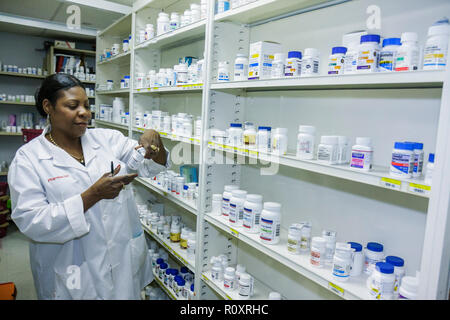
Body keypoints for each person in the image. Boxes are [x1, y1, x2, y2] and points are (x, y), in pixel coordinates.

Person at [7, 74, 170, 299]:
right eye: (73, 106)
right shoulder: (28, 159)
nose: (84, 112)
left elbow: (150, 164)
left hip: (120, 263)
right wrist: (92, 195)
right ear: (48, 107)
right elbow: (32, 221)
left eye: (86, 105)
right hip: (71, 271)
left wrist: (155, 144)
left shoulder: (107, 139)